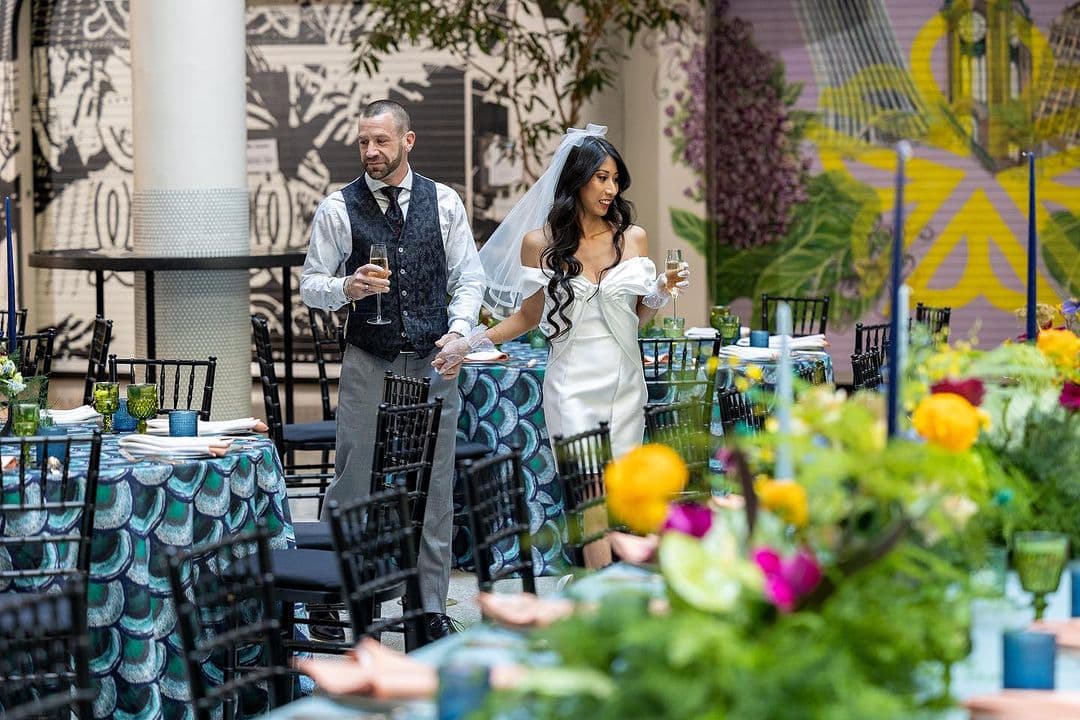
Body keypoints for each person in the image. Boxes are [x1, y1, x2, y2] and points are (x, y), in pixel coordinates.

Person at [300, 99, 485, 642]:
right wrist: (345, 288)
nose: (370, 152)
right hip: (369, 358)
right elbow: (312, 282)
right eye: (363, 142)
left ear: (408, 141)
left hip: (434, 359)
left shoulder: (444, 202)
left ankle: (428, 606)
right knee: (354, 480)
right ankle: (335, 597)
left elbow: (469, 279)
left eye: (381, 141)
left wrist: (458, 330)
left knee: (434, 483)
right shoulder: (339, 207)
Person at [434, 125, 689, 458]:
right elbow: (528, 317)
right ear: (576, 180)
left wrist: (659, 292)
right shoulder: (539, 244)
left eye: (615, 179)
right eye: (601, 177)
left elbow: (636, 321)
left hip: (625, 380)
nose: (611, 189)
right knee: (586, 490)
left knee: (624, 494)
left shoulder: (634, 238)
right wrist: (467, 343)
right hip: (571, 385)